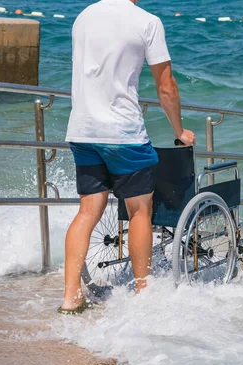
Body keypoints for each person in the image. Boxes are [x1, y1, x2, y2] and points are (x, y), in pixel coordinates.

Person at [59, 0, 196, 314]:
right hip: (123, 133)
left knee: (87, 212)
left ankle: (70, 298)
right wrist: (180, 131)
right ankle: (142, 291)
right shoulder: (147, 22)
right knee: (139, 211)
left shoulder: (83, 17)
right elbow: (166, 86)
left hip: (82, 129)